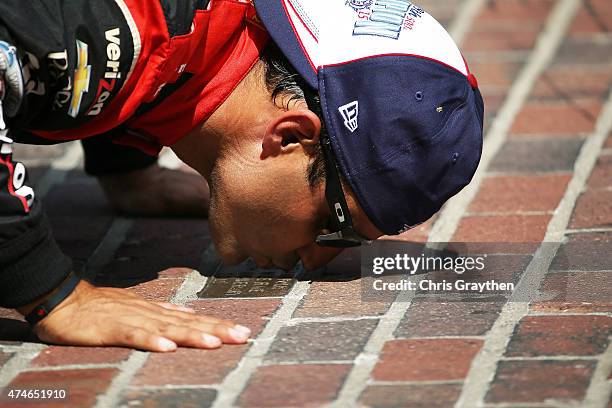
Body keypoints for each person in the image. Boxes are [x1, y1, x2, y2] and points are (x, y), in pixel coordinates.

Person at [0, 0, 484, 352]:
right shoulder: (126, 25)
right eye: (335, 224)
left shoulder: (195, 34)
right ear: (290, 135)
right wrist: (51, 292)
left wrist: (126, 169)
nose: (316, 260)